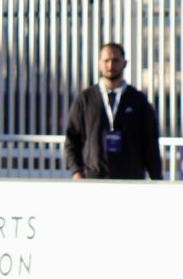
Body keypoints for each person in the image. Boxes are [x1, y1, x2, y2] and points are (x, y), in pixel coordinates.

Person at [64, 42, 162, 180]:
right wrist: (76, 172)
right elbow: (72, 140)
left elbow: (150, 144)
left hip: (131, 180)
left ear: (125, 63)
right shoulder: (85, 99)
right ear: (99, 64)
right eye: (106, 60)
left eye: (115, 60)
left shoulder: (138, 100)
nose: (110, 65)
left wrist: (156, 179)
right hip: (93, 179)